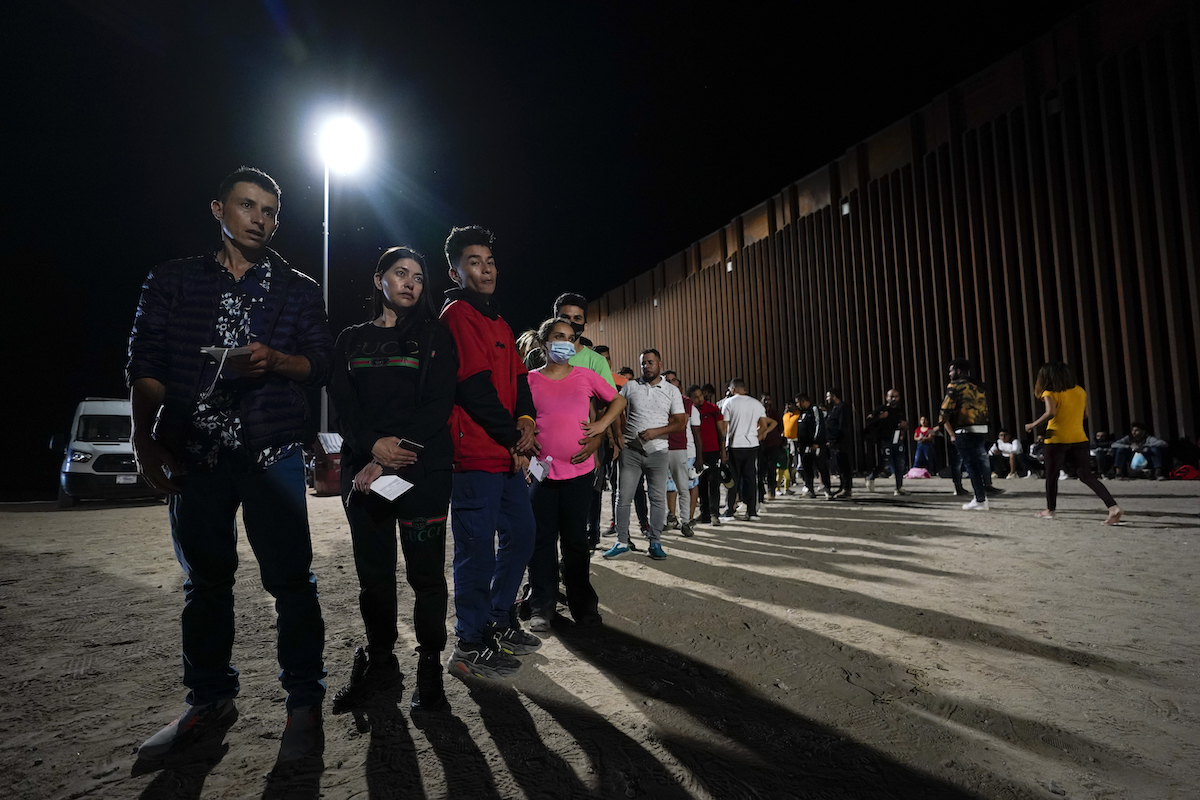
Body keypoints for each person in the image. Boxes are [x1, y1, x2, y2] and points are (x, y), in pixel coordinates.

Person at [128, 167, 332, 762]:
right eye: (248, 206)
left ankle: (304, 706)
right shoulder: (173, 279)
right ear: (219, 209)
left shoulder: (297, 288)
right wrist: (145, 438)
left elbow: (319, 363)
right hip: (196, 452)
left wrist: (277, 361)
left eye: (270, 212)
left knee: (291, 583)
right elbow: (145, 361)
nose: (259, 220)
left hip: (271, 454)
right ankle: (210, 701)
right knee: (205, 583)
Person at [328, 247, 458, 714]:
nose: (410, 283)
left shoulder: (434, 335)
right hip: (363, 476)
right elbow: (344, 408)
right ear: (378, 278)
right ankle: (381, 664)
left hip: (419, 471)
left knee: (426, 576)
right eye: (401, 273)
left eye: (419, 278)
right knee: (374, 578)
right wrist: (370, 448)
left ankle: (429, 668)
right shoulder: (350, 339)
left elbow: (438, 405)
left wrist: (388, 457)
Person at [439, 225, 542, 680]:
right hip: (475, 456)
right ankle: (468, 644)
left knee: (521, 534)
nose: (486, 270)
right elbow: (473, 388)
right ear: (455, 272)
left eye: (490, 261)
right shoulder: (458, 315)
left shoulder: (499, 322)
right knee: (476, 551)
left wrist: (527, 421)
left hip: (505, 454)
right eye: (474, 262)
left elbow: (520, 381)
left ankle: (498, 620)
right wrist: (514, 437)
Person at [525, 318, 625, 630]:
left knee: (575, 542)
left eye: (570, 338)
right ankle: (542, 605)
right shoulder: (529, 380)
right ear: (543, 343)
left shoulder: (585, 375)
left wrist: (601, 427)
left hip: (579, 472)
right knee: (541, 540)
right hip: (540, 474)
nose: (566, 343)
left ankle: (583, 607)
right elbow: (521, 417)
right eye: (559, 336)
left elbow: (618, 399)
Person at [602, 349, 686, 560]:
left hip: (658, 451)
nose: (646, 366)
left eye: (650, 362)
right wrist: (618, 434)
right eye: (643, 363)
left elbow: (680, 422)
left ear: (660, 364)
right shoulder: (630, 386)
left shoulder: (671, 391)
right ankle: (622, 541)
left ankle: (655, 542)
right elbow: (615, 409)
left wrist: (656, 432)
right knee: (623, 497)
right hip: (630, 450)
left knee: (657, 498)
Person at [1024, 362, 1122, 524]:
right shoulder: (1079, 391)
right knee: (1086, 475)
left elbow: (1051, 412)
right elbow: (1085, 414)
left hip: (1056, 439)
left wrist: (1033, 425)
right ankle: (1113, 507)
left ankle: (1050, 510)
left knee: (1052, 475)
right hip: (1079, 438)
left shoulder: (1049, 392)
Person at [718, 379, 775, 521]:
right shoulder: (756, 403)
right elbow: (764, 425)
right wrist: (757, 435)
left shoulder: (728, 403)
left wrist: (722, 445)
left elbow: (724, 427)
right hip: (752, 445)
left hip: (734, 445)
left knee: (732, 479)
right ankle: (752, 511)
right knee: (750, 479)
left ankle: (729, 511)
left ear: (732, 389)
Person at [940, 359, 992, 510]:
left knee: (971, 466)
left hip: (964, 431)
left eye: (951, 371)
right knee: (978, 464)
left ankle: (980, 499)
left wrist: (950, 433)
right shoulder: (979, 386)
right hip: (981, 429)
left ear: (958, 371)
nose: (949, 374)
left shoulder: (955, 386)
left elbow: (944, 413)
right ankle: (982, 495)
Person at [864, 389, 910, 495]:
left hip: (897, 438)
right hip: (884, 439)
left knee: (899, 463)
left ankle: (899, 487)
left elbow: (905, 425)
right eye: (891, 396)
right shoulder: (881, 409)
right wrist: (880, 416)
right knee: (885, 462)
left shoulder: (899, 411)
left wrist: (904, 427)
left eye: (896, 397)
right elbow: (869, 420)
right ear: (887, 397)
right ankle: (871, 477)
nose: (894, 399)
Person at [691, 384, 726, 525]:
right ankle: (704, 514)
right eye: (696, 397)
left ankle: (714, 514)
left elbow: (721, 431)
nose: (699, 399)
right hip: (696, 452)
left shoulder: (713, 409)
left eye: (700, 395)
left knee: (714, 482)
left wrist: (723, 451)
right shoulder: (690, 410)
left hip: (713, 451)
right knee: (701, 483)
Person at [822, 388, 853, 500]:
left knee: (844, 465)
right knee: (839, 466)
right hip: (834, 442)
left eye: (828, 396)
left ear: (834, 396)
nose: (827, 399)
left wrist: (835, 440)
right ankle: (842, 487)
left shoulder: (842, 408)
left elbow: (842, 426)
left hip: (841, 442)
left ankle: (847, 489)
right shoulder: (834, 408)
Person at [795, 394, 827, 497]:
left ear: (803, 401)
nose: (797, 405)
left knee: (820, 466)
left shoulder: (814, 409)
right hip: (804, 445)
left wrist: (816, 441)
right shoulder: (802, 413)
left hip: (814, 444)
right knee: (807, 467)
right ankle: (809, 488)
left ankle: (826, 488)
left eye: (798, 402)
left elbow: (819, 424)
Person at [757, 394, 786, 502]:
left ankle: (771, 492)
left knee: (771, 469)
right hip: (760, 444)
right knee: (760, 470)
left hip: (773, 444)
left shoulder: (775, 413)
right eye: (765, 400)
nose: (767, 402)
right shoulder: (758, 412)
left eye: (769, 400)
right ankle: (761, 493)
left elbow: (779, 427)